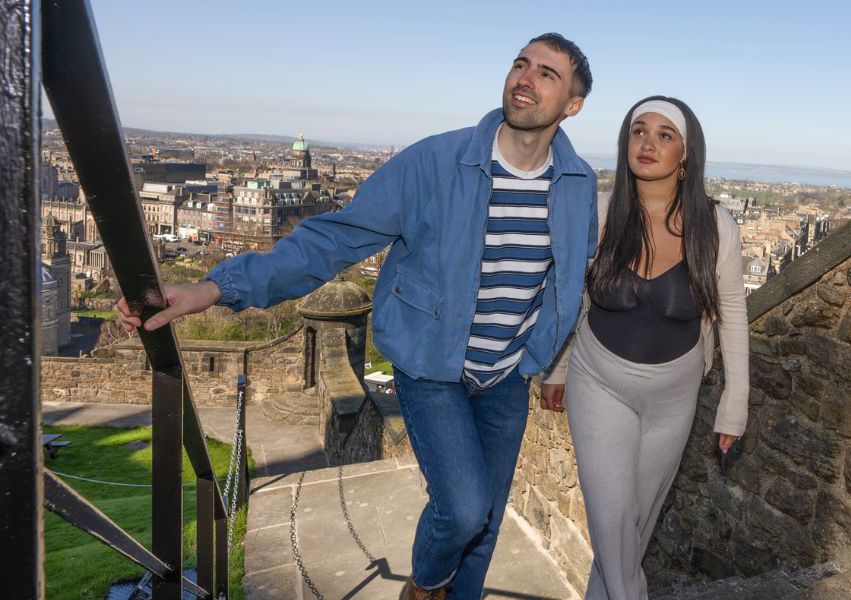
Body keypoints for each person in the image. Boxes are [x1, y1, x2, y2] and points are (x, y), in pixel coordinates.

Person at [117, 33, 597, 600]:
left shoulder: (578, 185)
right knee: (465, 509)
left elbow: (571, 280)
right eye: (521, 64)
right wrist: (216, 287)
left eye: (546, 73)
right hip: (430, 366)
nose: (525, 77)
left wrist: (553, 362)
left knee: (486, 527)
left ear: (572, 104)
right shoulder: (434, 162)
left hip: (506, 377)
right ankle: (422, 588)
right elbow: (333, 241)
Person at [540, 96, 749, 600]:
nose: (648, 143)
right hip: (599, 381)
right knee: (612, 520)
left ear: (686, 154)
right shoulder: (600, 212)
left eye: (664, 134)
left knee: (634, 528)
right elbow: (575, 298)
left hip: (674, 395)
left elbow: (733, 313)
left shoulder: (716, 226)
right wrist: (559, 366)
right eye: (638, 131)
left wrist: (734, 402)